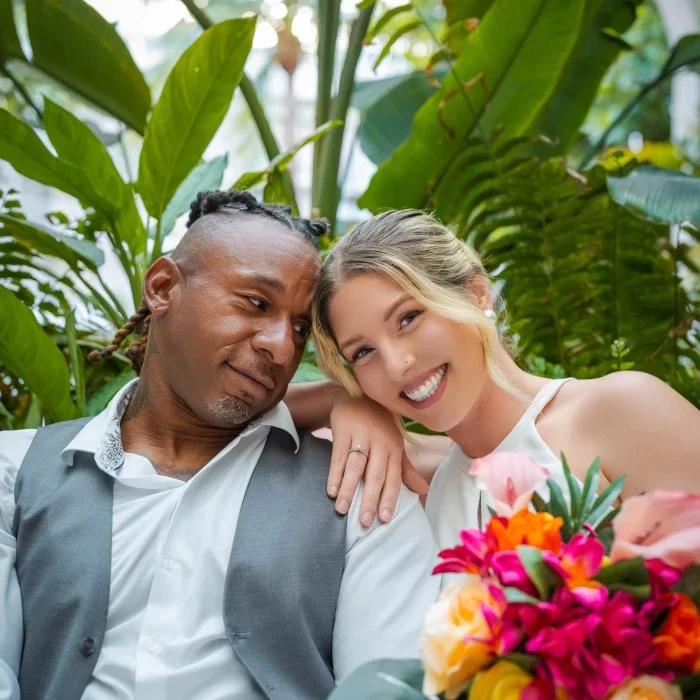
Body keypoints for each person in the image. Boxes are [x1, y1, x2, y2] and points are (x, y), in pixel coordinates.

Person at [0, 192, 439, 700]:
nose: (280, 346)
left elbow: (387, 686)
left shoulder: (362, 490)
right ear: (163, 287)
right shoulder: (14, 473)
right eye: (255, 303)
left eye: (300, 329)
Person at [293, 209, 700, 549]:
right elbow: (239, 418)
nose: (396, 365)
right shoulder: (421, 475)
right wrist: (341, 400)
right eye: (363, 352)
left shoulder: (618, 412)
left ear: (477, 294)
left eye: (408, 318)